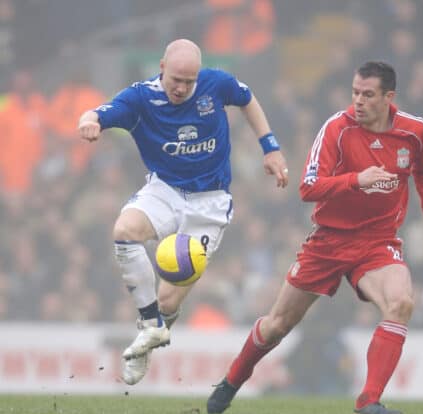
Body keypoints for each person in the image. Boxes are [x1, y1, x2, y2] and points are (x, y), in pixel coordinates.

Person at [207, 61, 423, 414]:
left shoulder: (415, 132)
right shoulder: (337, 128)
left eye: (368, 95)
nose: (359, 101)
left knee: (400, 303)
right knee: (277, 325)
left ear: (389, 97)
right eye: (355, 92)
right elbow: (308, 187)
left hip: (377, 241)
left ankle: (367, 403)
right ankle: (231, 381)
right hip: (328, 241)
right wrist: (357, 179)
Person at [78, 39, 288, 386]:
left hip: (210, 204)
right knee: (124, 231)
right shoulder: (140, 98)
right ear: (161, 67)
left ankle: (153, 331)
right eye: (176, 79)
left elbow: (247, 99)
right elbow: (99, 113)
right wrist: (88, 122)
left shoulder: (216, 84)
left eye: (189, 81)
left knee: (168, 298)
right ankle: (150, 326)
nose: (181, 87)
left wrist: (271, 148)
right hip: (165, 190)